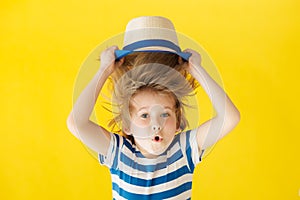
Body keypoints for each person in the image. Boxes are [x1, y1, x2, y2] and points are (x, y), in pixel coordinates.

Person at [67, 16, 240, 199]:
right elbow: (77, 123)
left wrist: (197, 70)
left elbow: (230, 118)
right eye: (144, 116)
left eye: (165, 114)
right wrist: (104, 70)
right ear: (127, 124)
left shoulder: (184, 150)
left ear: (178, 121)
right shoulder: (118, 153)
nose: (156, 124)